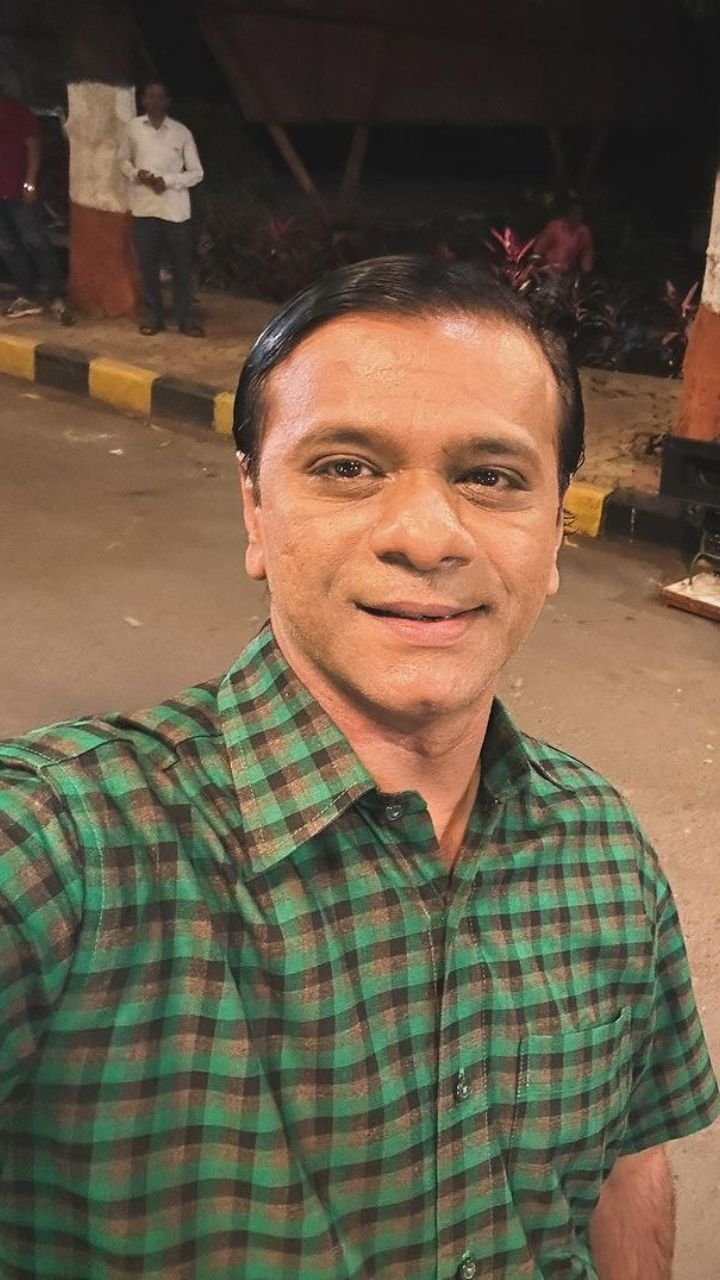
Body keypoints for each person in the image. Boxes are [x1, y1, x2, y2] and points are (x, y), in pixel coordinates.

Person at [0, 257, 717, 1278]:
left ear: (555, 533)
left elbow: (627, 1164)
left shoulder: (604, 846)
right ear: (256, 511)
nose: (427, 536)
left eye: (491, 477)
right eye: (347, 467)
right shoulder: (58, 848)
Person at [118, 80, 204, 337]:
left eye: (160, 97)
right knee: (148, 267)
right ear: (143, 100)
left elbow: (197, 173)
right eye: (150, 96)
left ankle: (185, 320)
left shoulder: (181, 132)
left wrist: (166, 181)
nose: (155, 101)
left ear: (167, 101)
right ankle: (154, 318)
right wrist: (137, 174)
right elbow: (122, 161)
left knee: (182, 268)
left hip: (175, 211)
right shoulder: (133, 128)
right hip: (144, 209)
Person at [0, 84, 69, 322]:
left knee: (36, 241)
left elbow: (33, 145)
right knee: (7, 246)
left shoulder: (16, 111)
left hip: (18, 189)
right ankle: (28, 294)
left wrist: (30, 181)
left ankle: (56, 296)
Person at [534, 197, 594, 276]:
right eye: (574, 212)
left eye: (579, 212)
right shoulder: (555, 227)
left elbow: (587, 254)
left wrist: (586, 271)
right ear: (568, 212)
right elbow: (538, 249)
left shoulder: (584, 232)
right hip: (546, 272)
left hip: (565, 275)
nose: (576, 215)